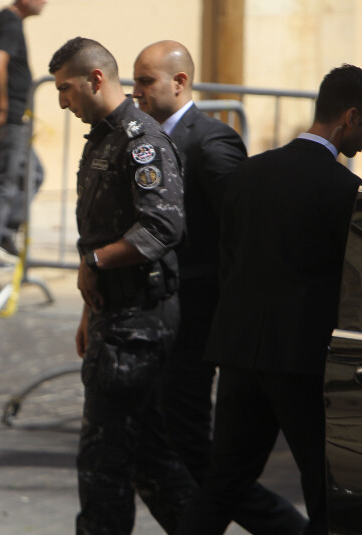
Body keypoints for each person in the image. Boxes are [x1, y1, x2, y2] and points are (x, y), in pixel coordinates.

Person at [176, 64, 362, 535]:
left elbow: (229, 259)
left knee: (223, 484)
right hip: (305, 362)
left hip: (240, 351)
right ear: (351, 117)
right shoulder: (345, 191)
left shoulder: (248, 174)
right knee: (327, 488)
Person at [132, 40, 308, 534]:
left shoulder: (210, 141)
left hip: (200, 315)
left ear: (180, 82)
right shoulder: (144, 139)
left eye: (145, 81)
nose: (136, 91)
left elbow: (245, 229)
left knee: (194, 445)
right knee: (161, 438)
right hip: (162, 311)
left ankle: (286, 528)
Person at [48, 37, 197, 534]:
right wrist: (90, 311)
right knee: (151, 463)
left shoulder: (141, 141)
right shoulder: (103, 137)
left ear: (95, 79)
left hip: (139, 323)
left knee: (103, 466)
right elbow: (100, 231)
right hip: (115, 315)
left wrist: (94, 262)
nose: (62, 102)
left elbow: (162, 227)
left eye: (66, 88)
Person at [0, 0, 47, 267]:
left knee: (33, 175)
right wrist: (3, 107)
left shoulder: (8, 21)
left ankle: (3, 235)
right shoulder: (9, 22)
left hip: (13, 118)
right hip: (8, 119)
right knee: (5, 182)